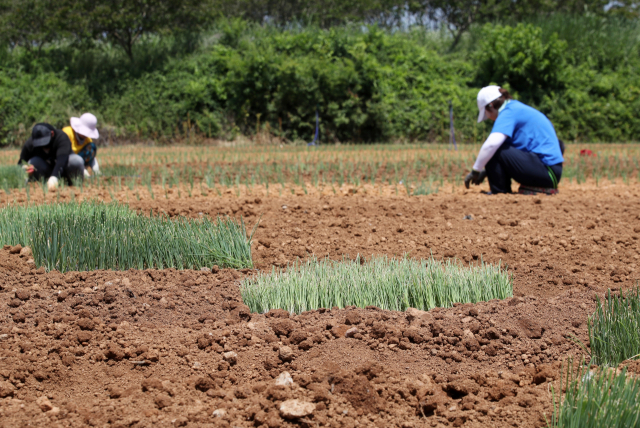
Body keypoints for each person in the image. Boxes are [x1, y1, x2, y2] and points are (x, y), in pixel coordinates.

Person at [465, 86, 564, 195]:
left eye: (486, 113)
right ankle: (500, 192)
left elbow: (491, 145)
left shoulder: (508, 112)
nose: (488, 118)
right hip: (551, 172)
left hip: (548, 173)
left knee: (496, 149)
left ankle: (499, 193)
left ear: (491, 106)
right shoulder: (515, 108)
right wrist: (489, 171)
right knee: (497, 148)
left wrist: (476, 170)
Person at [18, 123, 84, 190]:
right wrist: (25, 168)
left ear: (52, 134)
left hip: (65, 169)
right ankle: (42, 183)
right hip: (47, 172)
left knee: (76, 160)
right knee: (34, 161)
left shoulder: (61, 137)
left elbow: (62, 160)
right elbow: (21, 161)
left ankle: (74, 182)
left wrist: (54, 177)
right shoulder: (30, 143)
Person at [62, 113, 100, 177]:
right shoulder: (67, 133)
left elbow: (91, 157)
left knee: (92, 147)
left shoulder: (88, 140)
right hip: (67, 161)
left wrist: (97, 171)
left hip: (81, 162)